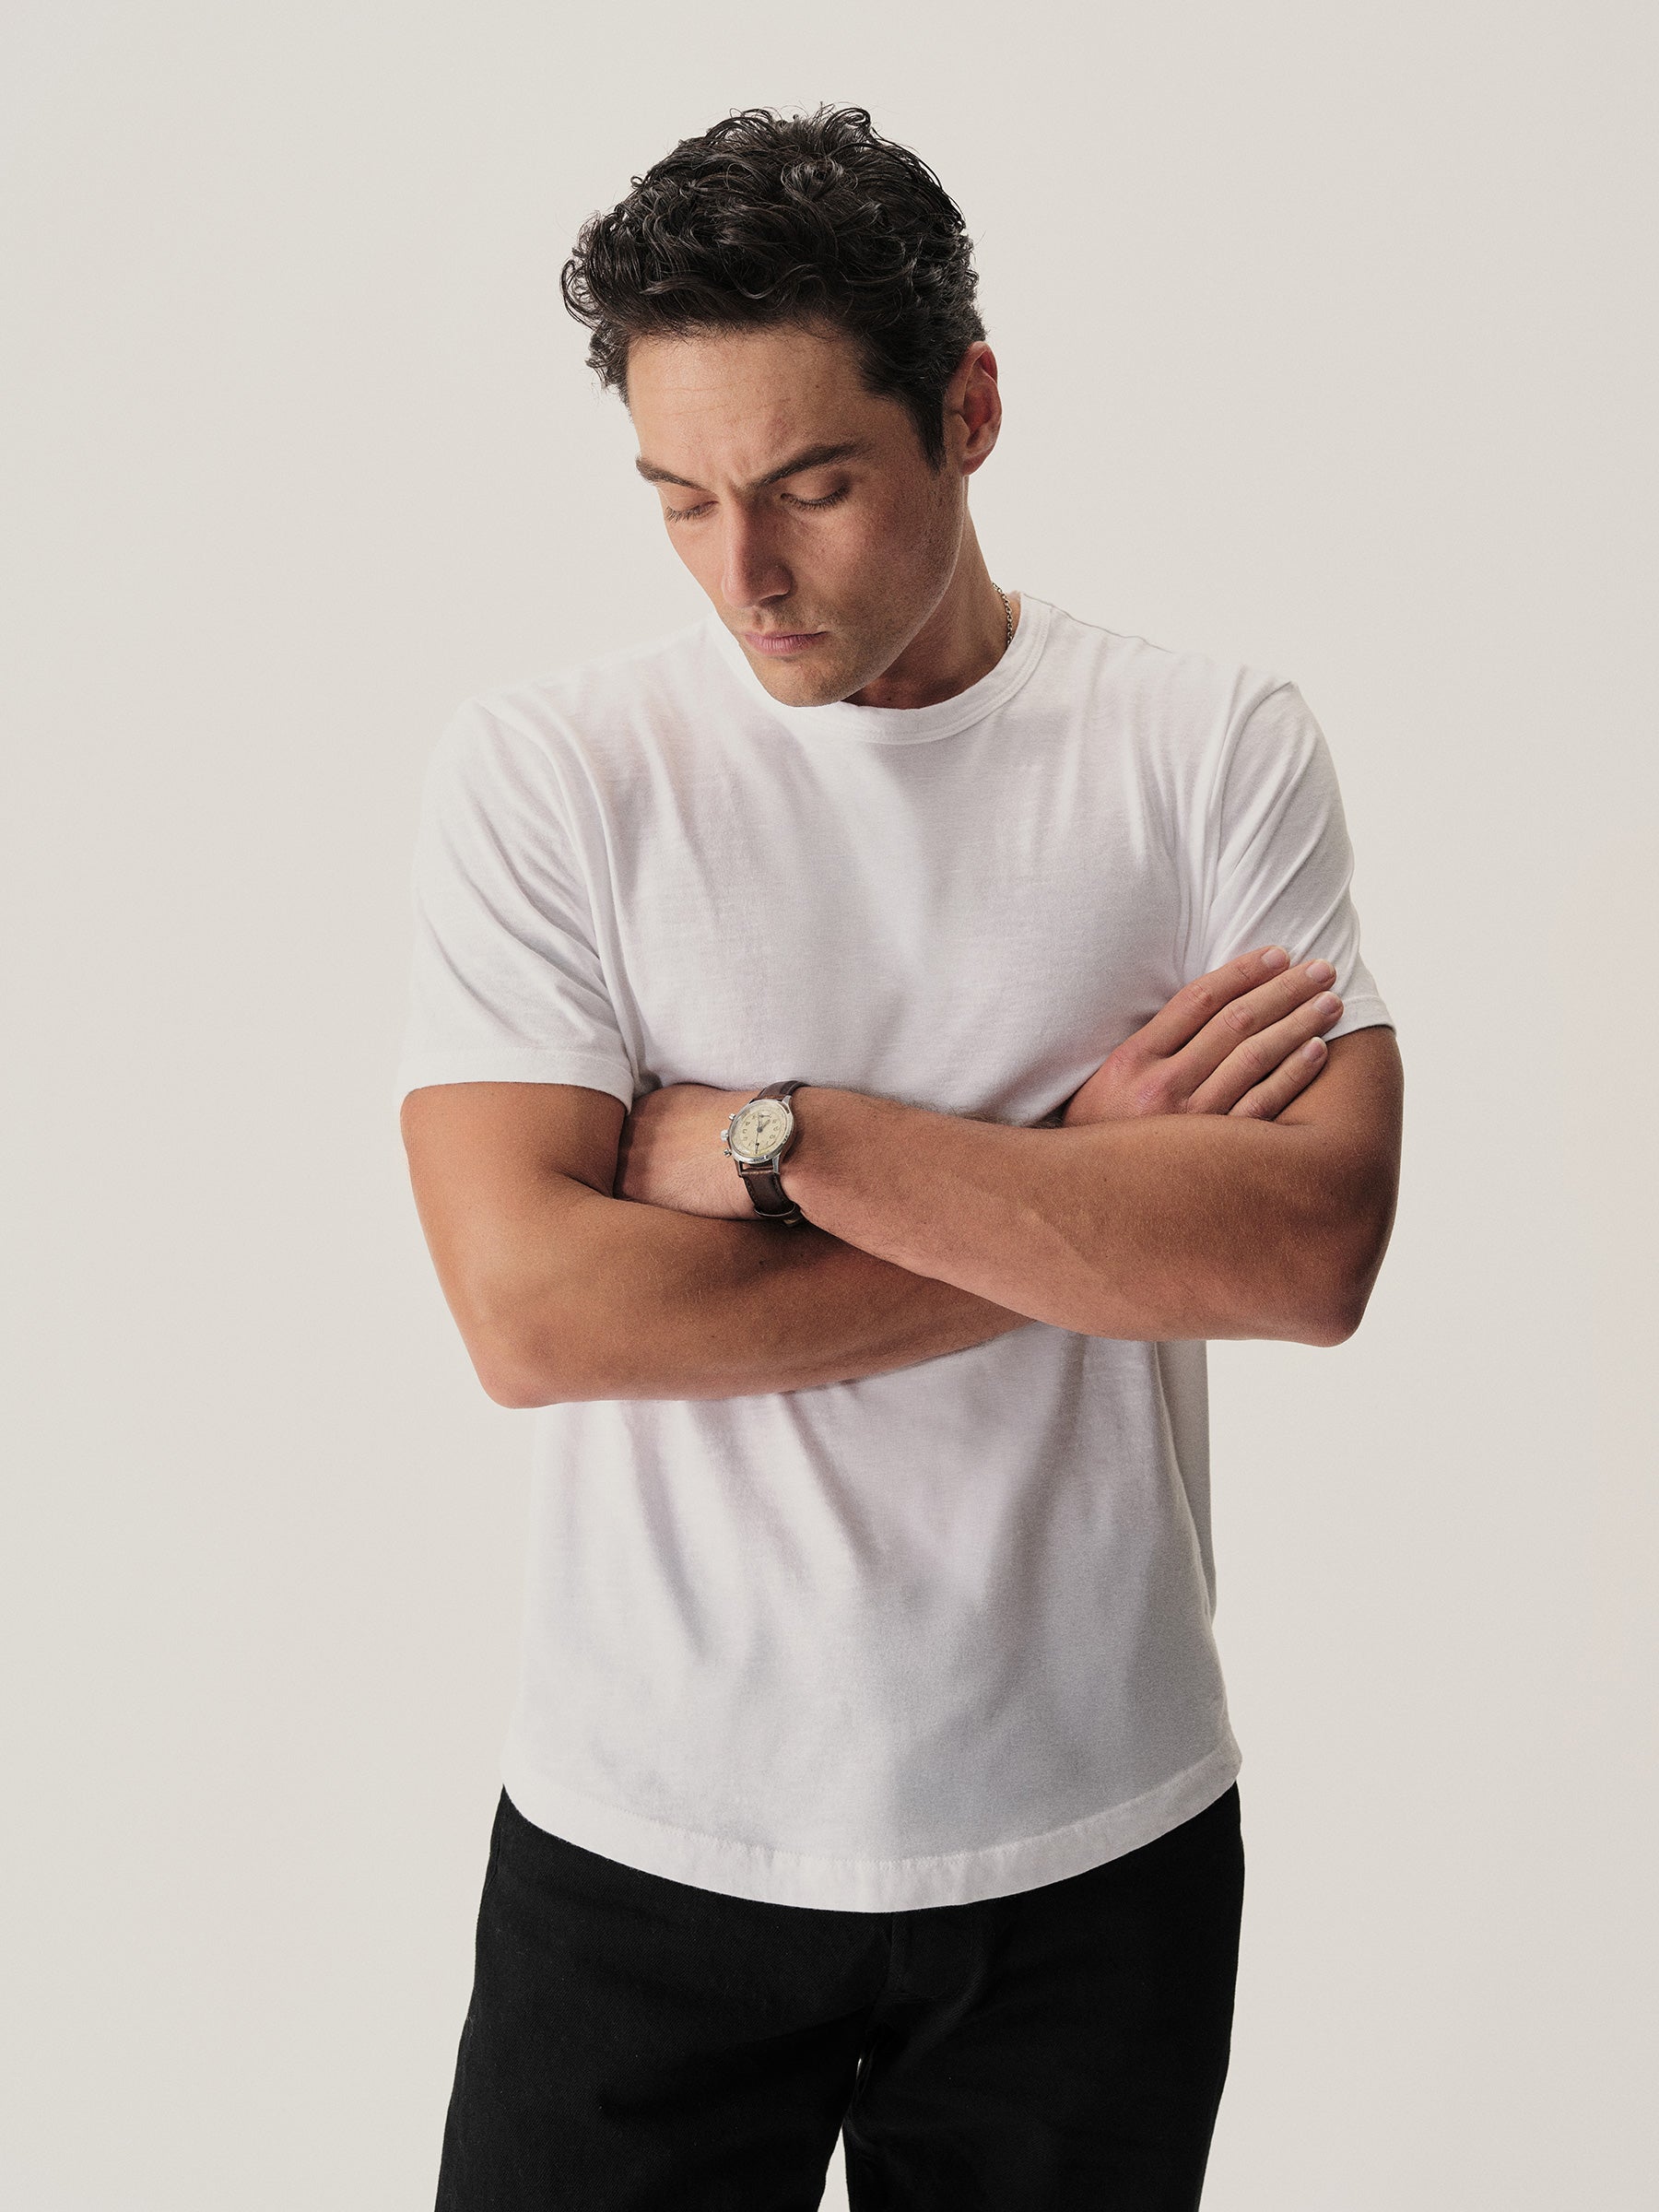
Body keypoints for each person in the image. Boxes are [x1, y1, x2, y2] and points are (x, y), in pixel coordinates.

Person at [396, 103, 1402, 2212]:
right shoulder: (553, 775)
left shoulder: (1203, 746)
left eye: (813, 486)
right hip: (647, 1837)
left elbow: (1307, 1251)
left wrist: (788, 1144)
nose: (741, 576)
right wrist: (1086, 1192)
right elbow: (534, 1315)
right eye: (680, 501)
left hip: (1093, 1842)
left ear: (972, 412)